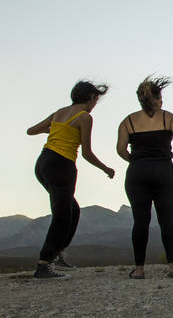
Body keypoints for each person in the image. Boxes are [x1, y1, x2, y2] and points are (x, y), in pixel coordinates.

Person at [25, 81, 116, 279]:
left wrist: (52, 131)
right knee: (62, 216)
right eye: (96, 100)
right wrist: (106, 168)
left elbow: (31, 130)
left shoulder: (59, 112)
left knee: (72, 211)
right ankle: (44, 264)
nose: (95, 104)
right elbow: (87, 153)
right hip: (62, 165)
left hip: (43, 163)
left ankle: (56, 255)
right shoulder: (84, 117)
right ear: (91, 97)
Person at [116, 76, 173, 279]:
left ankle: (139, 269)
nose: (162, 102)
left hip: (137, 173)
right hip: (164, 171)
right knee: (167, 220)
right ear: (155, 100)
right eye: (160, 99)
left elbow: (120, 149)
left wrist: (135, 159)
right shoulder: (168, 118)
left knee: (140, 221)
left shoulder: (128, 121)